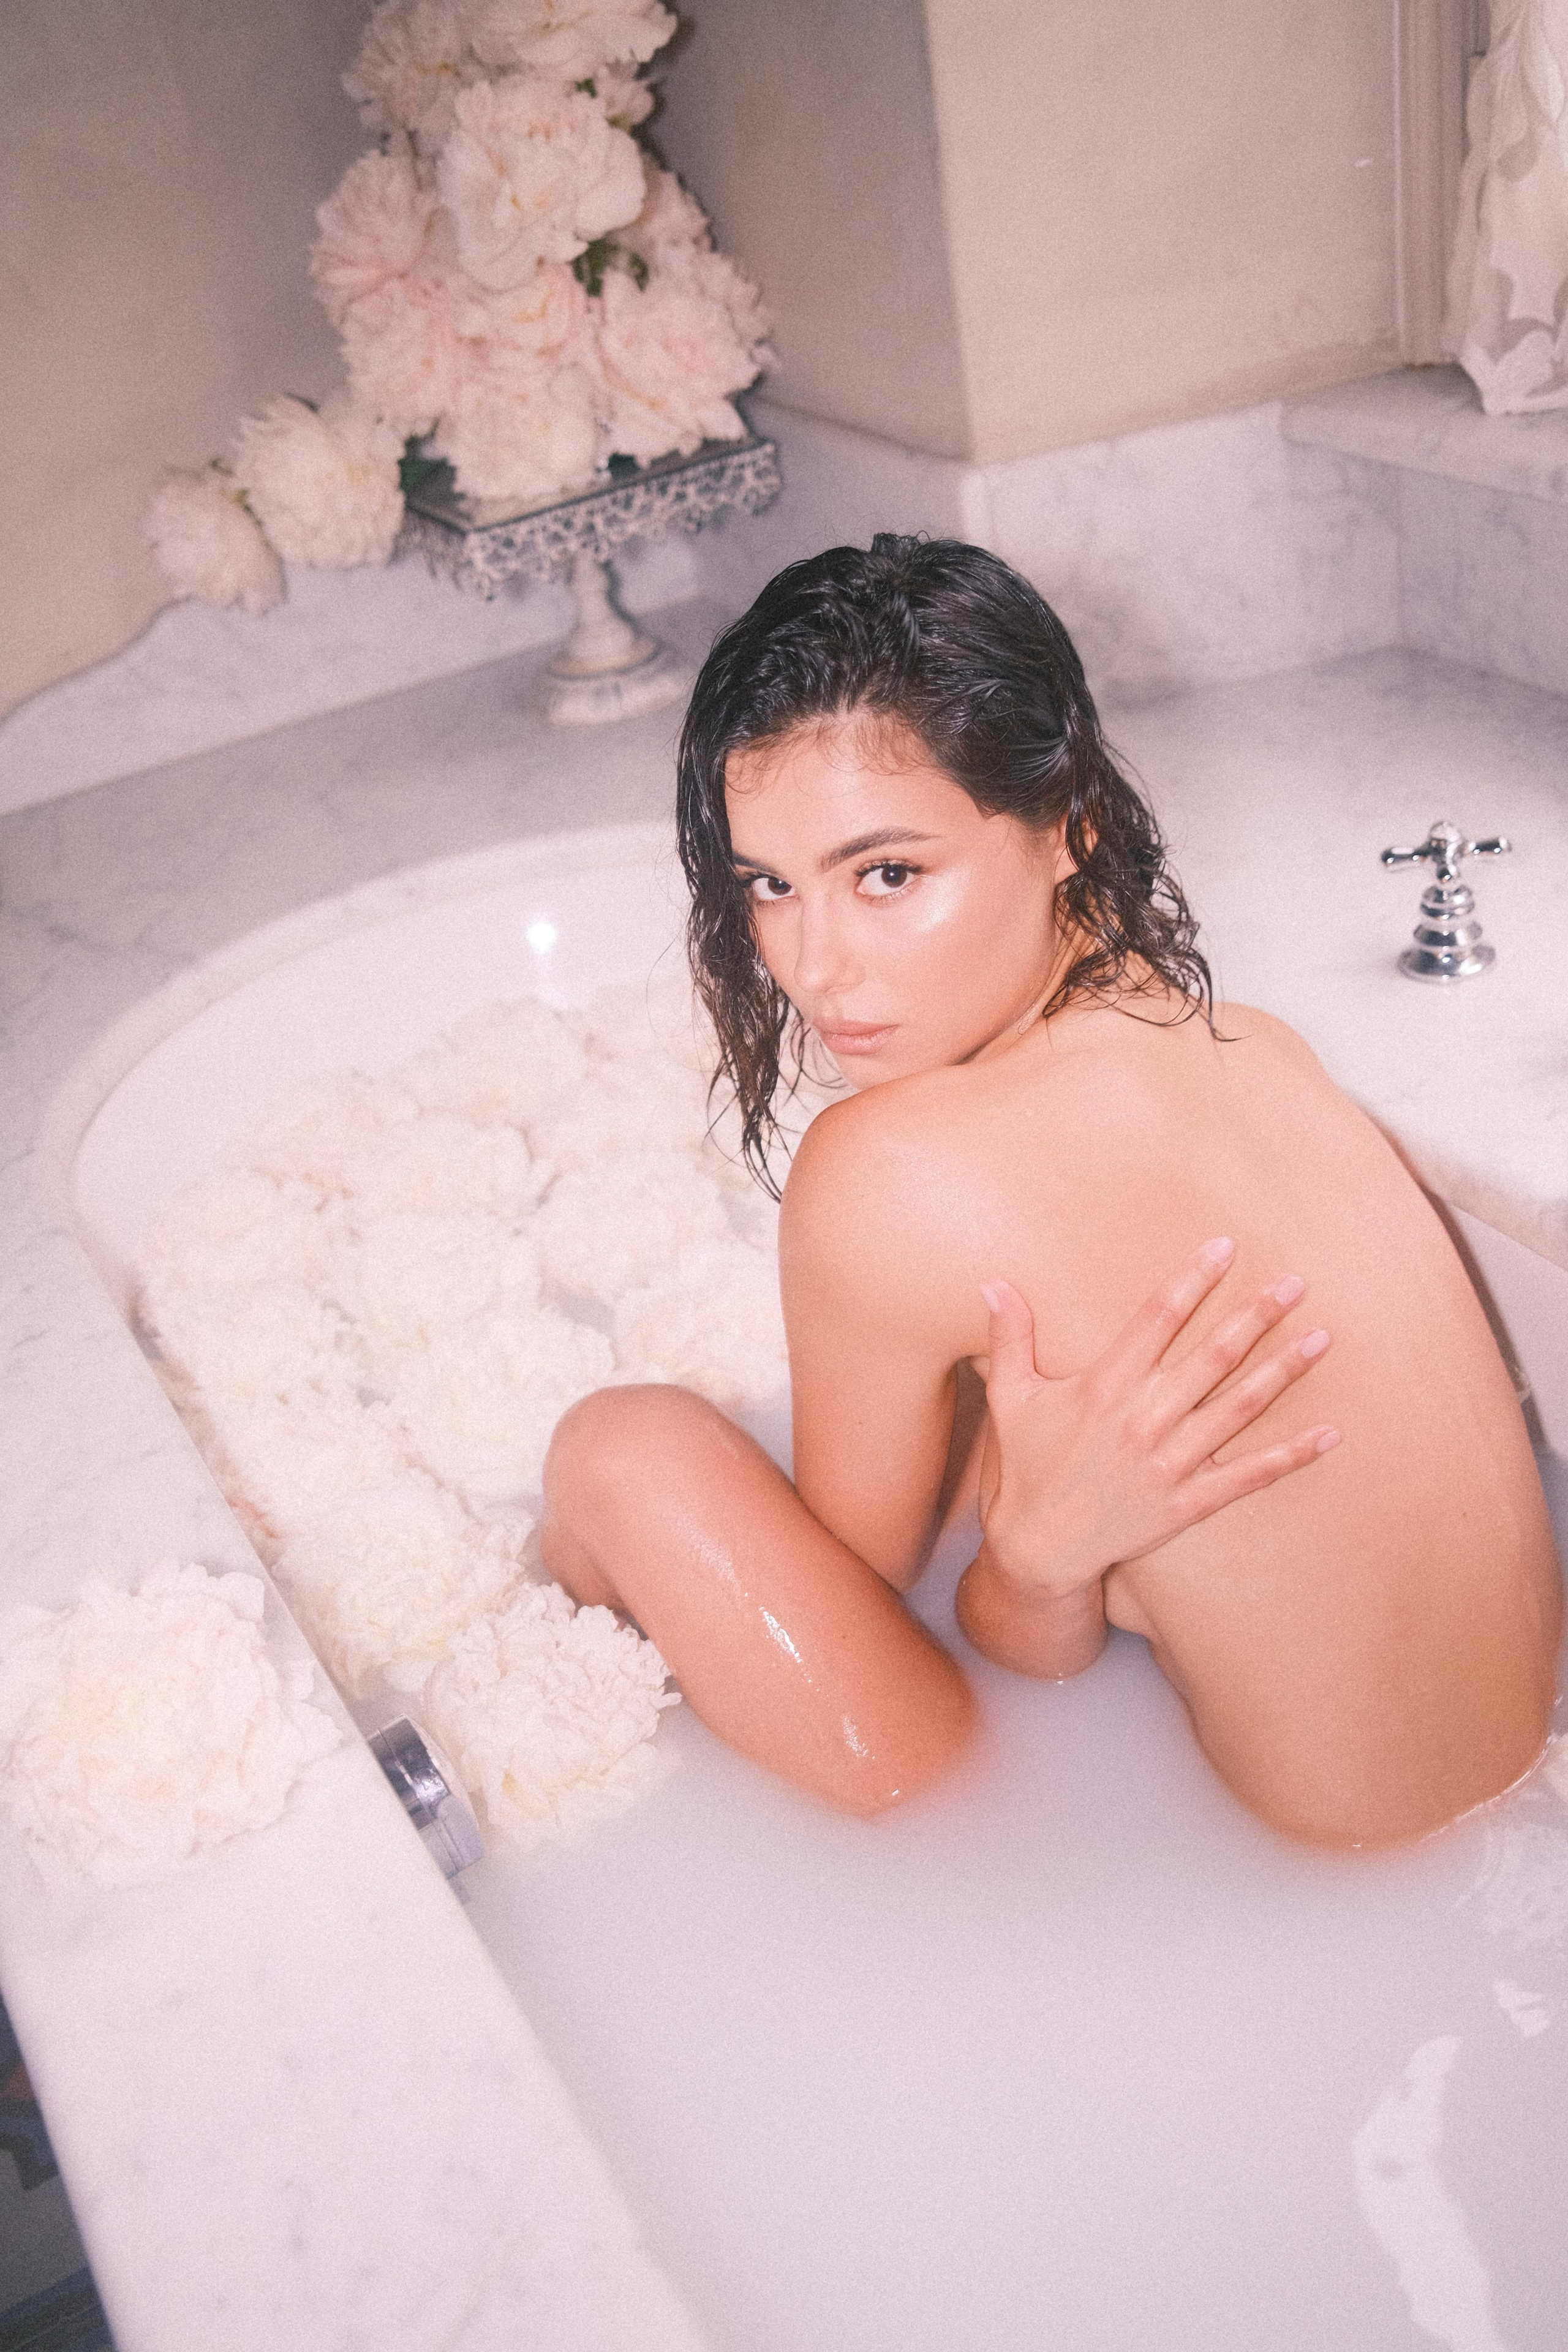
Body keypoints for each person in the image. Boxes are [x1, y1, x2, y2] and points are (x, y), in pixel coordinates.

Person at [542, 537, 1561, 1849]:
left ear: (1068, 825)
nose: (811, 966)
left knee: (621, 1451)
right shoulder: (1249, 1040)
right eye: (767, 886)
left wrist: (1031, 1567)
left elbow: (865, 1590)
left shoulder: (886, 1177)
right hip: (1510, 1778)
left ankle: (535, 1659)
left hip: (1297, 1867)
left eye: (886, 875)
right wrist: (1046, 1545)